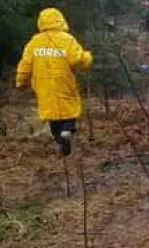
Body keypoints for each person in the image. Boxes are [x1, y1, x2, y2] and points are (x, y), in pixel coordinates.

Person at [15, 8, 94, 157]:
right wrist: (87, 57)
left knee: (51, 112)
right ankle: (67, 131)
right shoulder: (67, 39)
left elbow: (25, 64)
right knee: (69, 107)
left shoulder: (34, 43)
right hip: (64, 80)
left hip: (43, 84)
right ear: (61, 20)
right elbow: (76, 59)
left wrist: (21, 81)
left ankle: (59, 138)